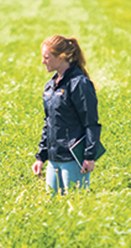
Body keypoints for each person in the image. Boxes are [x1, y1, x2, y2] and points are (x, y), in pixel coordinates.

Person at [31, 34, 104, 193]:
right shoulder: (50, 86)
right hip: (53, 159)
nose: (43, 61)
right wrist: (41, 156)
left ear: (61, 57)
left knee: (76, 206)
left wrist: (89, 156)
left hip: (73, 159)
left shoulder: (80, 84)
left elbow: (91, 123)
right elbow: (49, 122)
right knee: (52, 207)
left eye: (47, 57)